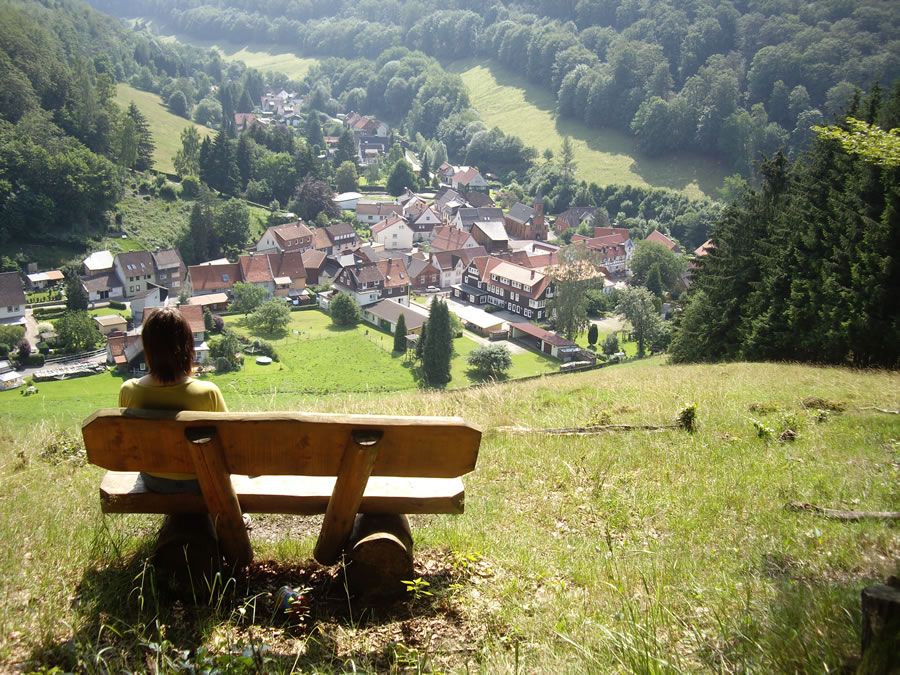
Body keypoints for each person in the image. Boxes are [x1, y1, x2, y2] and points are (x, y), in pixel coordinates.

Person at [118, 306, 227, 494]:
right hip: (201, 480)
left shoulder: (128, 391)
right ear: (187, 346)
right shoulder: (208, 393)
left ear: (148, 348)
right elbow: (228, 444)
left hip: (154, 480)